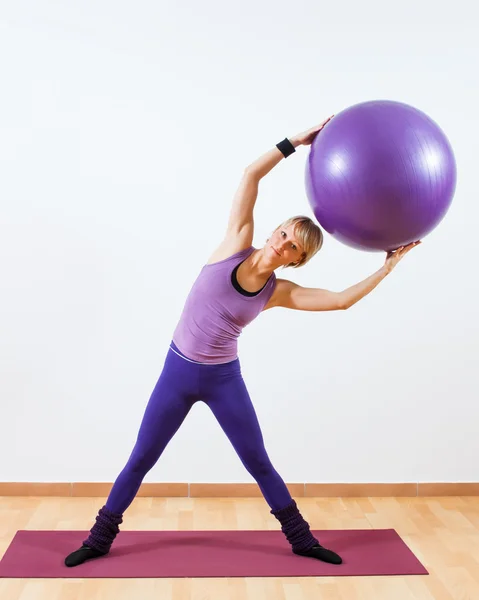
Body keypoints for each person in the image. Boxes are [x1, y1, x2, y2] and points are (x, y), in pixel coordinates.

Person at [65, 116, 420, 568]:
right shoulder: (235, 243)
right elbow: (251, 174)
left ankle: (302, 540)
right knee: (140, 459)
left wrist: (387, 268)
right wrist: (296, 140)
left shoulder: (278, 292)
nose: (284, 244)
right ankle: (98, 539)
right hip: (177, 372)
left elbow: (340, 301)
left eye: (295, 248)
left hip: (222, 380)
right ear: (274, 230)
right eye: (285, 233)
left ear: (297, 261)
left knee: (258, 462)